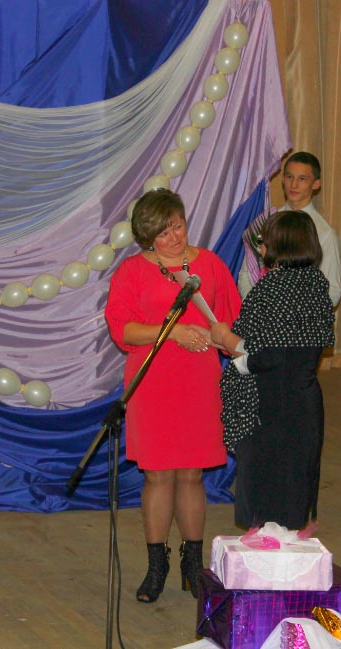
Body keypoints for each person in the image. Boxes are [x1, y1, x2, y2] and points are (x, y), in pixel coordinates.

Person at [104, 188, 241, 603]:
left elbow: (230, 323)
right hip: (152, 382)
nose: (174, 238)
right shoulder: (131, 272)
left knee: (192, 475)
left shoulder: (210, 265)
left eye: (177, 226)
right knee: (158, 475)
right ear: (147, 239)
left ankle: (192, 563)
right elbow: (124, 330)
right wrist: (173, 332)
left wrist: (220, 338)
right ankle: (156, 564)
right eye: (162, 234)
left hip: (198, 381)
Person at [211, 210, 335, 529]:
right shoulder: (316, 284)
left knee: (266, 507)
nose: (261, 247)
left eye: (265, 241)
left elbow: (267, 356)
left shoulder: (272, 288)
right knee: (294, 498)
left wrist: (225, 338)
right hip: (304, 404)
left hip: (269, 409)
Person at [238, 152, 341, 307]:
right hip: (261, 314)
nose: (293, 185)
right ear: (282, 179)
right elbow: (246, 274)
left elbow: (333, 291)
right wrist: (260, 308)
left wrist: (292, 310)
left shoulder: (324, 233)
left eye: (302, 179)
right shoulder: (265, 222)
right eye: (289, 176)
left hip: (301, 319)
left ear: (316, 184)